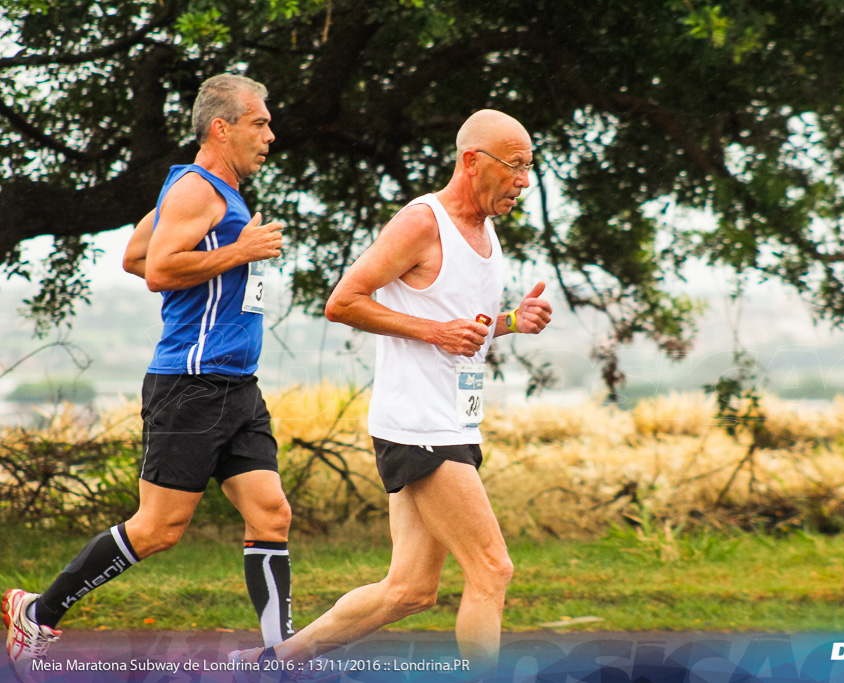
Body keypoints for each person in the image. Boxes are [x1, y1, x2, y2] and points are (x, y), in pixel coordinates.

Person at [230, 109, 552, 673]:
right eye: (516, 166)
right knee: (492, 570)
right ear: (472, 161)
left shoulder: (485, 230)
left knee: (409, 590)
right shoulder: (423, 221)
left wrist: (508, 322)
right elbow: (343, 302)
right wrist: (435, 332)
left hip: (451, 420)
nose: (525, 180)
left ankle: (270, 662)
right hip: (420, 426)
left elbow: (458, 325)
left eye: (530, 167)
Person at [3, 74, 294, 680]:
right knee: (159, 529)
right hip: (190, 385)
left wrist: (223, 254)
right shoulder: (197, 190)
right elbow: (158, 269)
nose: (270, 135)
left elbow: (135, 254)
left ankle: (280, 658)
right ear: (222, 127)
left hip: (237, 386)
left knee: (270, 515)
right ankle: (38, 611)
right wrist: (239, 253)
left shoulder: (210, 192)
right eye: (260, 123)